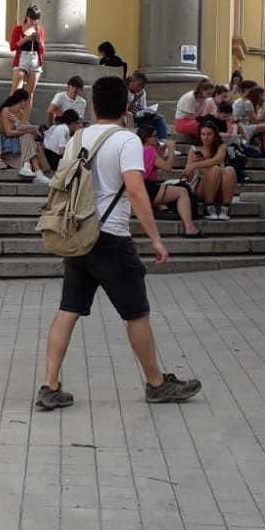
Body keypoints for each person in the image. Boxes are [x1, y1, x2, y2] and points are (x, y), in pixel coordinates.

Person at [36, 75, 200, 411]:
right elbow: (137, 191)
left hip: (79, 235)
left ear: (93, 106)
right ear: (126, 107)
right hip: (111, 238)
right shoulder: (127, 140)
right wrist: (156, 239)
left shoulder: (77, 138)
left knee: (68, 310)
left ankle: (50, 384)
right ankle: (156, 384)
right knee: (136, 313)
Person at [139, 124, 199, 236]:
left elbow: (152, 165)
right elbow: (167, 168)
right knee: (182, 191)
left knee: (170, 188)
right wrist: (171, 151)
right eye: (154, 136)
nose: (157, 138)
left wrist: (160, 153)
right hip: (149, 188)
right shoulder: (149, 150)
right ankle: (189, 227)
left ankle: (162, 209)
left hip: (143, 188)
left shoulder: (141, 150)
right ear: (146, 138)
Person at [182, 124, 239, 220]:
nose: (205, 137)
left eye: (209, 134)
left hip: (220, 189)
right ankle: (208, 207)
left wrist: (196, 164)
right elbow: (187, 173)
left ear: (215, 135)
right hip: (201, 189)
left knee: (230, 169)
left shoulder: (221, 147)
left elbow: (216, 160)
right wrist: (192, 164)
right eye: (203, 134)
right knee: (215, 170)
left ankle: (225, 208)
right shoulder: (195, 149)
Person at [0, 90, 51, 184]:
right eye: (26, 101)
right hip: (9, 146)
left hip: (21, 144)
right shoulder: (6, 111)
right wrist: (27, 129)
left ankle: (28, 166)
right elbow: (9, 132)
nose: (27, 104)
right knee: (27, 135)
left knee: (29, 135)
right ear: (22, 101)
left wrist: (20, 124)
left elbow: (24, 126)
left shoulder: (21, 113)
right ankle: (35, 171)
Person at [9, 5, 46, 101]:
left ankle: (26, 112)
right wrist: (25, 39)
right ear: (27, 16)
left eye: (36, 19)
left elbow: (42, 51)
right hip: (22, 59)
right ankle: (9, 110)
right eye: (31, 18)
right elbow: (12, 47)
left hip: (35, 61)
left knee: (29, 94)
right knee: (16, 91)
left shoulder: (40, 31)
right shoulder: (18, 29)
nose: (33, 21)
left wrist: (39, 41)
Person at [125, 72, 167, 141]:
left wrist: (147, 112)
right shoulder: (124, 91)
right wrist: (134, 100)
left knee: (159, 118)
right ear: (132, 81)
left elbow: (143, 107)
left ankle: (162, 141)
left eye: (142, 87)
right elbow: (127, 111)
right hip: (128, 118)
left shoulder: (142, 92)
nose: (140, 88)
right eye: (138, 85)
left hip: (138, 116)